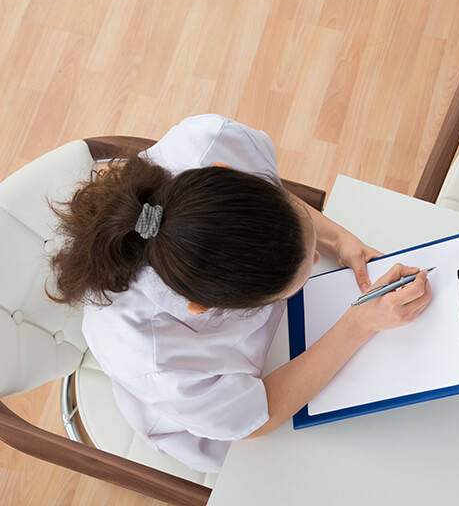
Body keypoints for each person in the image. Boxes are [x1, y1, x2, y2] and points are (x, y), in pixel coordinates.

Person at [49, 114, 432, 473]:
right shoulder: (155, 358)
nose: (317, 258)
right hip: (226, 411)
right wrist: (359, 324)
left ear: (224, 172)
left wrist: (338, 238)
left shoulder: (210, 144)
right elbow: (258, 415)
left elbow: (267, 197)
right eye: (303, 269)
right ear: (205, 308)